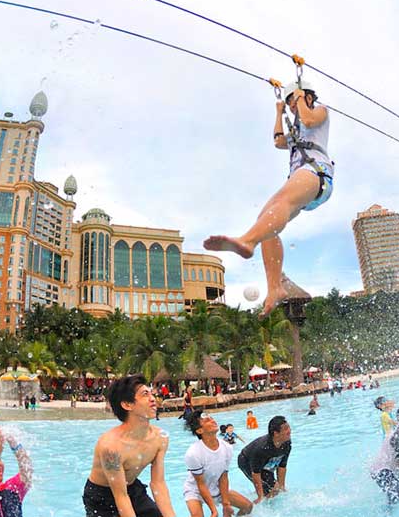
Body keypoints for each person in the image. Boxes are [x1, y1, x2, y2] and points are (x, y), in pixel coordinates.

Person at [204, 80, 334, 317]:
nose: (293, 107)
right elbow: (278, 141)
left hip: (317, 173)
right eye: (290, 104)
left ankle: (246, 241)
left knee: (279, 203)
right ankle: (274, 287)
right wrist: (279, 112)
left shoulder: (320, 110)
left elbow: (309, 119)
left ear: (307, 97)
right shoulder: (294, 126)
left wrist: (299, 98)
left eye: (294, 102)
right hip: (301, 179)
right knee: (266, 219)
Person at [83, 374, 176, 517]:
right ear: (127, 404)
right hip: (101, 497)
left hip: (131, 488)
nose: (153, 399)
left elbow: (158, 484)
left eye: (151, 393)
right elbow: (121, 497)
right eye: (145, 395)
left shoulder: (160, 438)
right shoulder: (111, 447)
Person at [183, 410, 253, 517]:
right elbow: (200, 484)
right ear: (200, 430)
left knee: (248, 506)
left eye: (212, 418)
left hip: (216, 488)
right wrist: (213, 510)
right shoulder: (193, 453)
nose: (213, 421)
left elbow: (223, 476)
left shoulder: (227, 447)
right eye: (207, 421)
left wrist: (226, 504)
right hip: (196, 490)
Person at [237, 416, 291, 503]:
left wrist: (282, 487)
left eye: (288, 427)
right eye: (285, 429)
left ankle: (264, 495)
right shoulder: (262, 448)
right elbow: (255, 473)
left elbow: (282, 466)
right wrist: (260, 496)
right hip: (245, 461)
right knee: (270, 490)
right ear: (276, 433)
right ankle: (257, 504)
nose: (289, 431)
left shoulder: (286, 443)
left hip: (264, 464)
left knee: (276, 489)